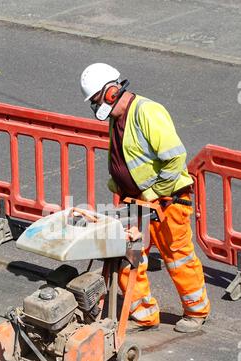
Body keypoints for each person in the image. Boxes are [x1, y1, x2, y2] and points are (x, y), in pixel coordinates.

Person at [80, 63, 210, 333]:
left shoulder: (147, 111)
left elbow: (175, 158)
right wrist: (119, 183)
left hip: (167, 201)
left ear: (112, 92)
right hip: (135, 202)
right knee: (128, 257)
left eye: (96, 100)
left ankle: (196, 312)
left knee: (177, 256)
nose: (95, 107)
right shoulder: (117, 116)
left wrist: (158, 192)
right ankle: (143, 314)